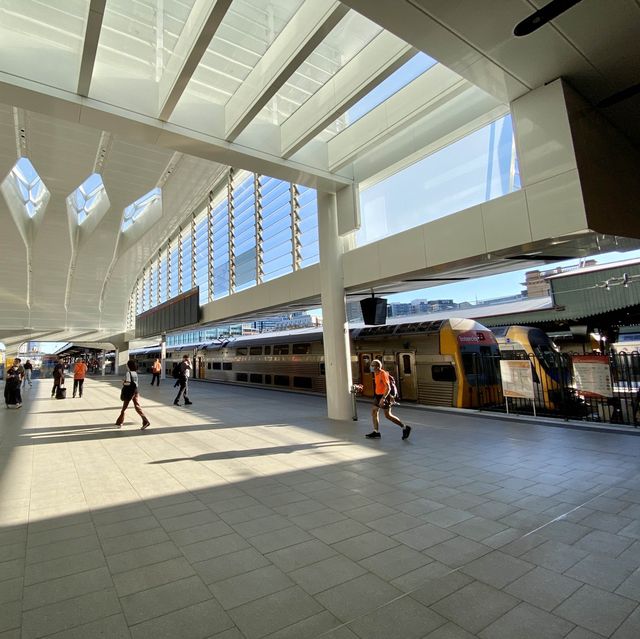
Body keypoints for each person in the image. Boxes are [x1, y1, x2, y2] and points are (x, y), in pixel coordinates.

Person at [366, 359, 411, 440]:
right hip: (378, 395)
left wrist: (383, 398)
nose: (371, 367)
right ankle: (376, 432)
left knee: (388, 415)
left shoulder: (383, 374)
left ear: (377, 367)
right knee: (374, 411)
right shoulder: (376, 373)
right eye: (371, 365)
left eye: (372, 365)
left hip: (384, 396)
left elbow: (388, 387)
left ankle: (405, 427)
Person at [116, 360, 150, 430]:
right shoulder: (135, 373)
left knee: (124, 408)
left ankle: (120, 422)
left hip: (129, 392)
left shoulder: (128, 373)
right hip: (136, 391)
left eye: (127, 365)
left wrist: (123, 382)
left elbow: (128, 383)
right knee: (137, 407)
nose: (126, 366)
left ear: (129, 366)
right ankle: (145, 421)